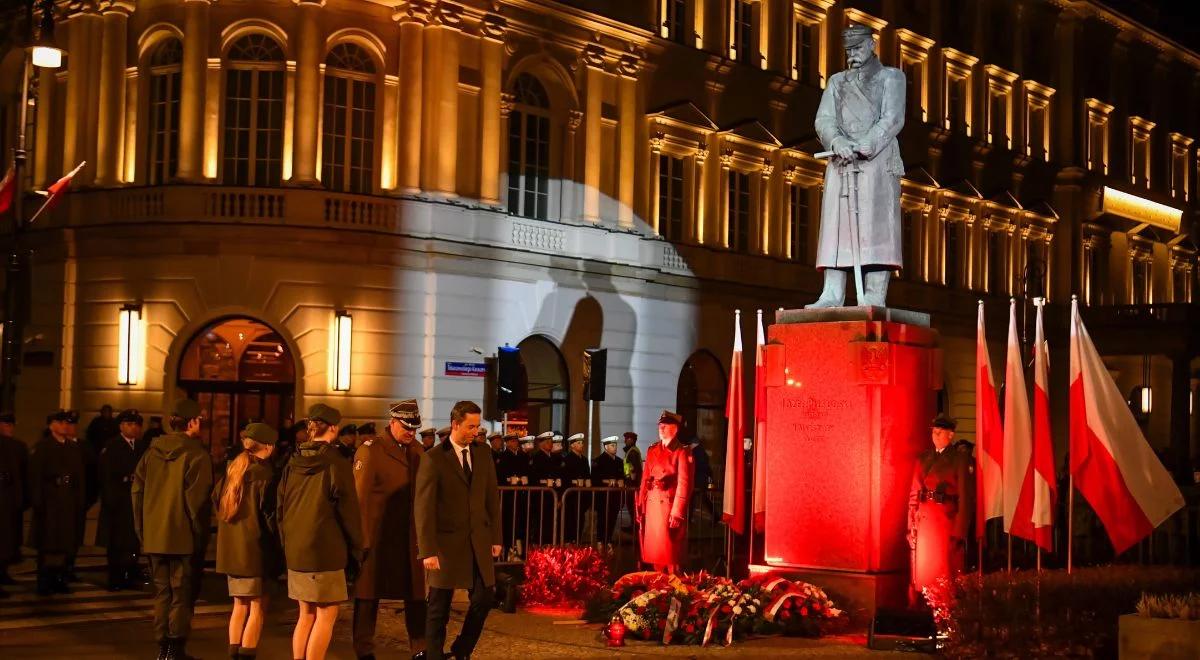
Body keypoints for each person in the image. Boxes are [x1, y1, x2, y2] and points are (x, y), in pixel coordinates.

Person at [807, 23, 906, 308]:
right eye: (849, 50)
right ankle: (832, 292)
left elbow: (893, 118)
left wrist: (867, 143)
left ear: (872, 45)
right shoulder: (837, 82)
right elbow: (823, 119)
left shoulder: (892, 77)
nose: (853, 54)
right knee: (836, 226)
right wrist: (836, 140)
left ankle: (874, 294)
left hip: (876, 162)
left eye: (858, 47)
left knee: (876, 228)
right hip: (840, 160)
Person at [415, 401, 501, 660]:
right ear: (455, 424)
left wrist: (496, 537)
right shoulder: (434, 458)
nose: (475, 431)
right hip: (445, 545)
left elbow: (491, 499)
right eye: (470, 426)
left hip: (478, 541)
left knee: (485, 598)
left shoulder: (483, 453)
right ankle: (433, 655)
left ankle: (462, 650)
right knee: (438, 606)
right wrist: (427, 549)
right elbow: (424, 507)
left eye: (478, 426)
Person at [278, 404, 364, 660]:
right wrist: (357, 548)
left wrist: (287, 542)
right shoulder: (336, 462)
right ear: (334, 428)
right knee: (326, 615)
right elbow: (348, 510)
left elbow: (280, 508)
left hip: (297, 549)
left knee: (306, 614)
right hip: (325, 550)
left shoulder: (292, 462)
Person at [132, 399, 214, 660]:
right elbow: (197, 503)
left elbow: (136, 493)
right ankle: (175, 647)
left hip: (155, 535)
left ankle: (162, 647)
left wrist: (143, 530)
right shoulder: (197, 455)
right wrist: (200, 536)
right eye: (199, 419)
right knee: (182, 593)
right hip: (183, 537)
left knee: (162, 592)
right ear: (191, 423)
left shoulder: (150, 453)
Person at [352, 400, 427, 660]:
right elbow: (360, 499)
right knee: (368, 595)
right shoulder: (371, 451)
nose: (411, 433)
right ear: (392, 422)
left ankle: (419, 647)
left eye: (415, 428)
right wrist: (361, 540)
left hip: (409, 536)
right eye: (407, 427)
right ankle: (364, 649)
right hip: (377, 535)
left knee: (417, 595)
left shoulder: (418, 451)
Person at [214, 423, 280, 660]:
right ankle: (247, 655)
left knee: (239, 606)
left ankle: (234, 652)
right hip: (255, 551)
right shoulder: (264, 475)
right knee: (257, 607)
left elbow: (215, 501)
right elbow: (270, 516)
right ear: (269, 447)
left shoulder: (233, 470)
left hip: (232, 551)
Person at [907, 414, 973, 600]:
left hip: (945, 521)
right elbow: (914, 495)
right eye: (934, 432)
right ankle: (925, 606)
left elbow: (965, 498)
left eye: (940, 432)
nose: (935, 436)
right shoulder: (924, 458)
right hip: (925, 520)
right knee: (924, 573)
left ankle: (944, 610)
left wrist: (959, 532)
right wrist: (910, 525)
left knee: (944, 573)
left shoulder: (959, 459)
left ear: (950, 435)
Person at [29, 410, 86, 595]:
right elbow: (35, 477)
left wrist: (79, 501)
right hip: (50, 502)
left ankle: (60, 579)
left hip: (68, 502)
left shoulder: (72, 447)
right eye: (60, 422)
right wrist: (38, 503)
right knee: (48, 544)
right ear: (51, 425)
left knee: (64, 544)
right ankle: (44, 581)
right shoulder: (43, 447)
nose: (64, 426)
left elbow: (79, 477)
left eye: (66, 423)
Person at [636, 411, 693, 574]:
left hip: (668, 507)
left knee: (671, 556)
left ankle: (673, 591)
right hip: (653, 505)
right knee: (656, 555)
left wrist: (677, 513)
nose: (660, 429)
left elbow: (684, 484)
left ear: (674, 429)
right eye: (660, 426)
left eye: (665, 426)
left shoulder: (680, 452)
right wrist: (641, 505)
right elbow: (645, 479)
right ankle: (657, 587)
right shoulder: (652, 449)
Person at [98, 409, 148, 591]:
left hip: (135, 502)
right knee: (116, 543)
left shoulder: (142, 447)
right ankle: (116, 577)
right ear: (121, 426)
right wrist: (111, 501)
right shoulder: (112, 446)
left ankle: (130, 574)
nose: (133, 428)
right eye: (129, 424)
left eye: (136, 424)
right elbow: (105, 476)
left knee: (132, 542)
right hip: (118, 502)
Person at [0, 411, 28, 594]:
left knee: (8, 539)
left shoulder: (18, 446)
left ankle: (3, 572)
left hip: (11, 499)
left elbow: (24, 473)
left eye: (11, 425)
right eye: (6, 424)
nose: (9, 427)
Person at [592, 436, 625, 545]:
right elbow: (595, 479)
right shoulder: (598, 461)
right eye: (612, 445)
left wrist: (621, 480)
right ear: (606, 447)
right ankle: (600, 541)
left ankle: (609, 540)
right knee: (602, 519)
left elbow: (623, 476)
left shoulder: (620, 461)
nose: (615, 448)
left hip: (615, 496)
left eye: (615, 445)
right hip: (603, 497)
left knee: (612, 519)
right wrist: (608, 481)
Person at [562, 433, 591, 543]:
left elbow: (587, 476)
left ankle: (577, 541)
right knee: (570, 520)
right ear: (572, 446)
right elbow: (565, 477)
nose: (581, 445)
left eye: (582, 443)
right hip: (571, 496)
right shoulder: (568, 459)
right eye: (578, 443)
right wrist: (574, 482)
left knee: (580, 520)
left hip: (582, 496)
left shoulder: (584, 459)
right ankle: (569, 541)